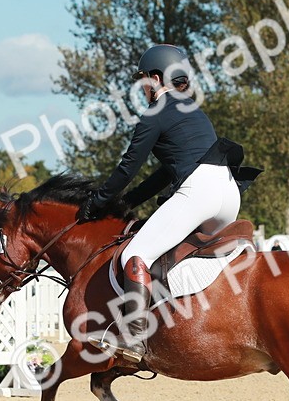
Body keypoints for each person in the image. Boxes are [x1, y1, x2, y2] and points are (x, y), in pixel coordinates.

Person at [78, 44, 255, 363]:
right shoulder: (193, 111)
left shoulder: (156, 111)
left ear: (157, 77)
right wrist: (130, 201)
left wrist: (99, 201)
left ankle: (132, 337)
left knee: (135, 253)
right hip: (228, 193)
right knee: (174, 251)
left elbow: (128, 166)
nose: (142, 87)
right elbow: (163, 174)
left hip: (199, 191)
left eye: (144, 79)